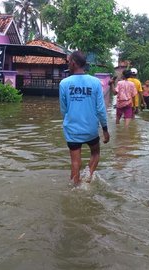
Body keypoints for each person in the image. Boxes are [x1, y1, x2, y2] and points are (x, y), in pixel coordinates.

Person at [59, 51, 110, 186]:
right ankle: (88, 177)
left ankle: (75, 187)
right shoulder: (95, 82)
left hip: (72, 130)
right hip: (91, 129)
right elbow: (100, 109)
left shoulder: (64, 83)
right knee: (95, 152)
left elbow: (63, 110)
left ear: (74, 63)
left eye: (69, 62)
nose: (68, 64)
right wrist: (105, 129)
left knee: (75, 162)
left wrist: (69, 122)